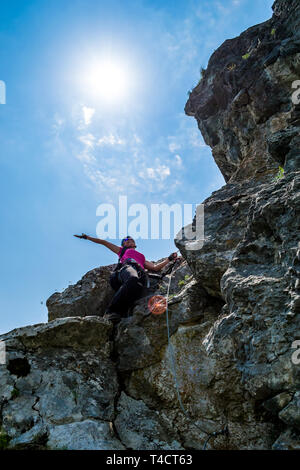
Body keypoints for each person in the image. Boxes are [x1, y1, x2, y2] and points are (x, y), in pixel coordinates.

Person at [74, 234, 178, 323]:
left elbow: (155, 267)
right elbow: (104, 242)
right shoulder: (121, 251)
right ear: (123, 244)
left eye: (131, 239)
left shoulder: (141, 257)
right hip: (127, 268)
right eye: (126, 240)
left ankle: (120, 313)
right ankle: (110, 311)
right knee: (132, 279)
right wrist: (87, 237)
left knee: (136, 286)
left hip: (140, 272)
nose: (129, 240)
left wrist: (169, 259)